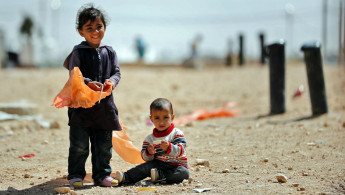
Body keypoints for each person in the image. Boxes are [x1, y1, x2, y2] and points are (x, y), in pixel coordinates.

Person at [63, 4, 121, 187]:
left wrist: (111, 81)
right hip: (81, 108)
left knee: (103, 146)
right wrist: (88, 82)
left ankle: (102, 175)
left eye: (99, 27)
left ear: (104, 28)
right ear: (81, 32)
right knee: (79, 146)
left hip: (104, 107)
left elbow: (117, 72)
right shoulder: (78, 52)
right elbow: (74, 73)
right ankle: (76, 175)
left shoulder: (110, 51)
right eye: (89, 28)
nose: (95, 31)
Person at [115, 98, 189, 185]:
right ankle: (126, 177)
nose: (161, 121)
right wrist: (148, 152)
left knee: (184, 173)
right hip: (157, 165)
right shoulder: (150, 139)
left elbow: (182, 150)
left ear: (172, 117)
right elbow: (145, 157)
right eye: (157, 118)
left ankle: (160, 177)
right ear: (151, 119)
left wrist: (169, 147)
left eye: (165, 117)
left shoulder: (176, 133)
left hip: (176, 166)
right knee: (144, 167)